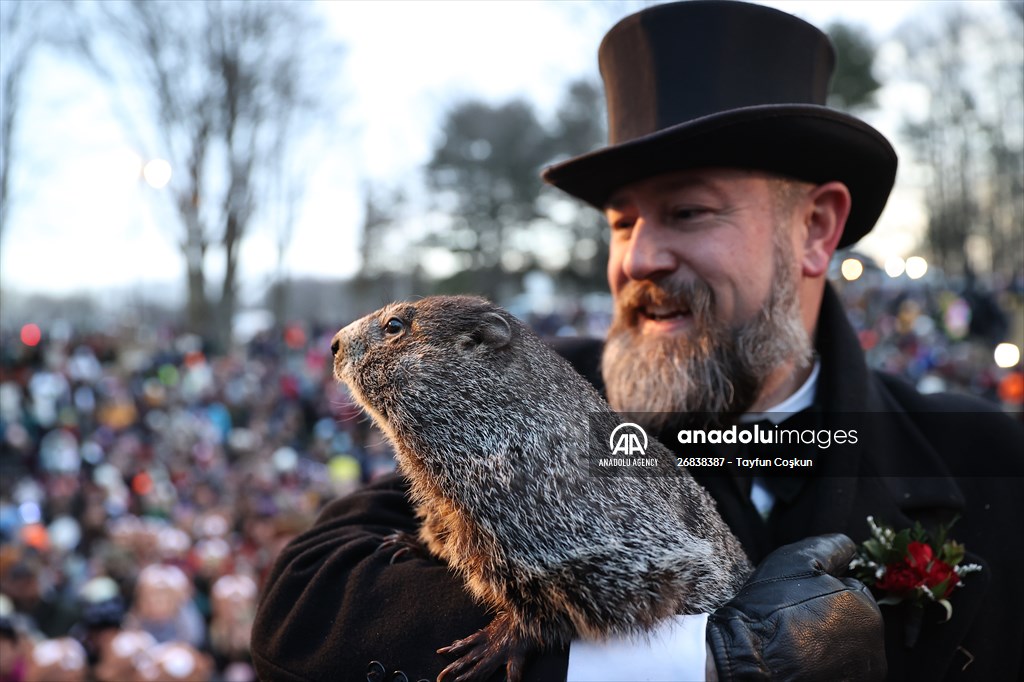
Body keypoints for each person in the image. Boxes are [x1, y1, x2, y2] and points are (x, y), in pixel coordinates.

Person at [252, 2, 1024, 680]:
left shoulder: (982, 452)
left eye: (689, 211)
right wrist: (698, 665)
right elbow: (309, 603)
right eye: (622, 220)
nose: (639, 257)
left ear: (815, 229)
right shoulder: (540, 386)